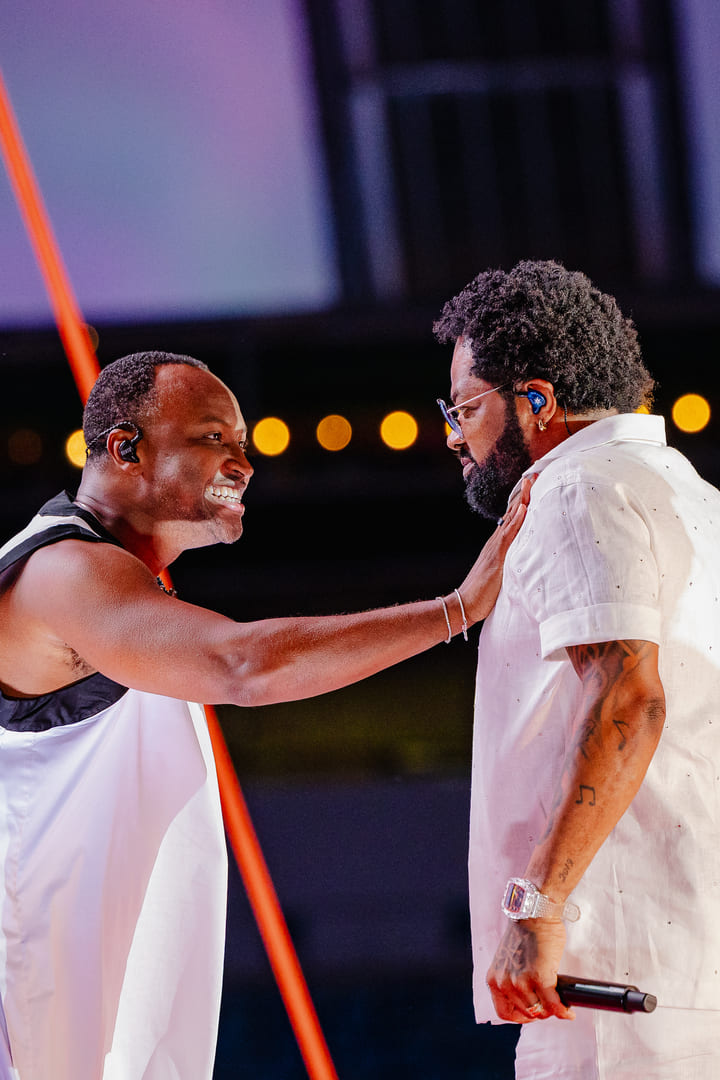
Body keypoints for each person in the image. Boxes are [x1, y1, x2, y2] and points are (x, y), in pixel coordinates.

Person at [0, 350, 529, 1080]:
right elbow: (244, 666)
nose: (244, 464)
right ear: (125, 448)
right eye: (213, 437)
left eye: (243, 442)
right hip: (31, 1009)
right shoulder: (64, 571)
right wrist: (457, 609)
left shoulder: (115, 579)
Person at [434, 260, 720, 1079]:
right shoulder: (694, 496)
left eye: (464, 408)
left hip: (613, 984)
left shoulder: (572, 489)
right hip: (683, 968)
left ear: (536, 401)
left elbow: (628, 696)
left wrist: (537, 906)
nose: (454, 437)